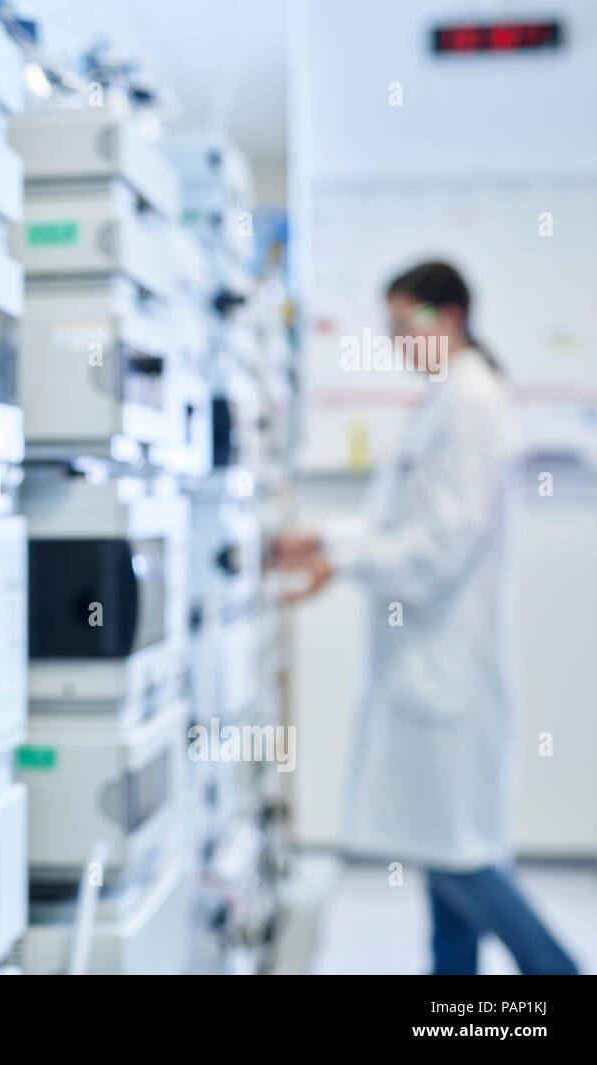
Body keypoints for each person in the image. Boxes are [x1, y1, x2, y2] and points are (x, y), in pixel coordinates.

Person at [274, 261, 579, 975]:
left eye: (405, 324)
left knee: (463, 860)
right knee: (443, 866)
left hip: (449, 671)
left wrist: (340, 558)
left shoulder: (471, 401)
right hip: (426, 668)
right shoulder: (447, 399)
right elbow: (405, 520)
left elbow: (438, 546)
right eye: (389, 328)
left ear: (450, 317)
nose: (397, 342)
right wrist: (327, 540)